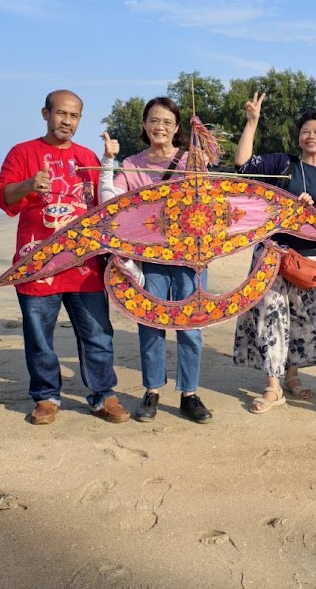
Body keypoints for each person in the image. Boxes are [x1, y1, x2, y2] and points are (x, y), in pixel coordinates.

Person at [0, 90, 129, 425]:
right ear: (45, 114)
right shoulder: (23, 152)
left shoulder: (87, 158)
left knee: (98, 333)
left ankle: (103, 395)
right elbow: (1, 195)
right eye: (61, 113)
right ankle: (46, 397)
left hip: (85, 268)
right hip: (38, 265)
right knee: (39, 336)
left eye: (74, 116)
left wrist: (111, 162)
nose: (66, 121)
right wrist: (28, 185)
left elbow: (107, 204)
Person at [232, 95, 316, 413]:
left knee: (300, 321)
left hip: (308, 257)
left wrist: (312, 212)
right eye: (306, 131)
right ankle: (273, 387)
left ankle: (293, 376)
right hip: (272, 253)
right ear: (299, 136)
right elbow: (243, 166)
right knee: (270, 319)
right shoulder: (281, 163)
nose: (311, 136)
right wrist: (252, 121)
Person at [99, 97, 212, 425]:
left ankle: (189, 393)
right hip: (149, 258)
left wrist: (200, 171)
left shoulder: (192, 160)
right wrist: (109, 161)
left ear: (177, 128)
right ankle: (152, 391)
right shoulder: (133, 165)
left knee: (191, 326)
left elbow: (208, 203)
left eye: (166, 121)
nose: (159, 127)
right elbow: (111, 201)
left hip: (192, 258)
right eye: (153, 121)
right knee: (150, 322)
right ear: (145, 125)